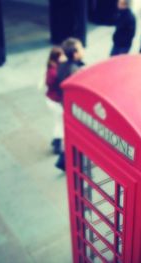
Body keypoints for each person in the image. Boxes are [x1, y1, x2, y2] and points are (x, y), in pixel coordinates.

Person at [55, 37, 85, 172]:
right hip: (74, 108)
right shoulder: (75, 70)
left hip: (65, 103)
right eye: (81, 48)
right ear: (75, 53)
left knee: (69, 133)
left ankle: (65, 158)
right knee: (77, 136)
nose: (83, 50)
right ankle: (66, 159)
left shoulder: (63, 65)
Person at [45, 46, 67, 155]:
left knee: (58, 122)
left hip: (51, 99)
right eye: (62, 55)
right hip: (54, 101)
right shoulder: (54, 72)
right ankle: (57, 144)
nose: (64, 57)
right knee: (60, 123)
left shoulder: (53, 67)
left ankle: (55, 140)